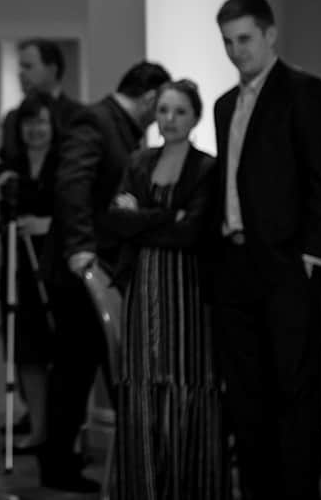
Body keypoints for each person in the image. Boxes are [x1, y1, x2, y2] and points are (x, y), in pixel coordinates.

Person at [210, 0, 321, 500]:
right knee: (245, 394)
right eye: (227, 41)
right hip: (236, 265)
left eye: (244, 39)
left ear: (270, 35)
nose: (235, 51)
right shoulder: (225, 105)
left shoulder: (303, 92)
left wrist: (309, 256)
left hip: (288, 266)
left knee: (294, 394)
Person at [42, 58, 171, 494]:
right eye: (163, 106)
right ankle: (59, 465)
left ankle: (89, 460)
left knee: (85, 367)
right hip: (83, 269)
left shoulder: (114, 124)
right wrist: (81, 250)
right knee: (74, 369)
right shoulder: (95, 121)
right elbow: (72, 184)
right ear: (151, 97)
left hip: (98, 266)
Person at [108, 79, 226, 500]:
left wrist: (142, 217)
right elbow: (116, 221)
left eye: (179, 112)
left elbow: (194, 232)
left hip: (189, 290)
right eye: (163, 111)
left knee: (187, 378)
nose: (169, 120)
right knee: (141, 378)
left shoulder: (208, 168)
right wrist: (166, 217)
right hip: (142, 285)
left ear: (195, 117)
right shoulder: (139, 162)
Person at [0, 92, 61, 455]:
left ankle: (58, 426)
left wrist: (48, 224)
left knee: (56, 350)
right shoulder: (7, 168)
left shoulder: (64, 164)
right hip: (18, 272)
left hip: (54, 268)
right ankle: (39, 425)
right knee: (26, 351)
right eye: (29, 123)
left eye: (42, 122)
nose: (35, 130)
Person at [0, 39, 83, 170]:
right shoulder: (12, 118)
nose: (21, 73)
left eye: (28, 66)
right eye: (20, 67)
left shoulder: (78, 116)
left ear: (52, 70)